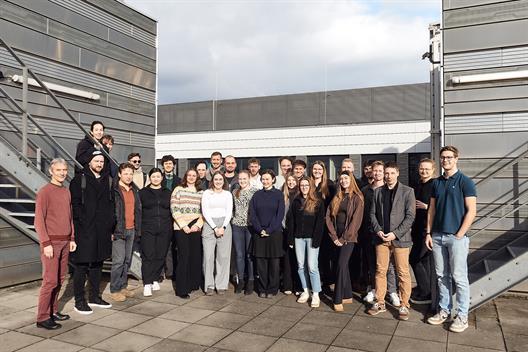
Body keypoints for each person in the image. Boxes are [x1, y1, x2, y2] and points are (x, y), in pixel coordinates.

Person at [426, 146, 477, 333]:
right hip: (437, 236)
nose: (445, 160)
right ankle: (444, 310)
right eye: (443, 157)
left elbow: (472, 211)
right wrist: (428, 233)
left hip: (456, 238)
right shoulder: (436, 183)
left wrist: (460, 234)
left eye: (449, 157)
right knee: (441, 277)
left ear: (456, 159)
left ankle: (462, 316)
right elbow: (431, 210)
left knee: (459, 277)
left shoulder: (466, 182)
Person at [368, 162, 416, 321]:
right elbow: (373, 214)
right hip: (381, 238)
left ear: (397, 173)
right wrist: (378, 230)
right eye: (386, 173)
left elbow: (410, 217)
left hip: (400, 239)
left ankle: (404, 304)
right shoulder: (378, 192)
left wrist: (395, 234)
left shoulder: (408, 192)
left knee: (402, 272)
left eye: (391, 173)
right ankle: (380, 302)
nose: (388, 176)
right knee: (380, 271)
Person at [70, 151, 114, 314]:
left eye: (102, 161)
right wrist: (82, 222)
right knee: (81, 266)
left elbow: (111, 205)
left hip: (102, 230)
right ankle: (79, 301)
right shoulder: (79, 180)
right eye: (96, 161)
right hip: (84, 230)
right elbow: (75, 205)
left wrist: (110, 226)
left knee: (97, 264)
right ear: (89, 162)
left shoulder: (108, 180)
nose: (99, 164)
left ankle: (94, 297)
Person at [34, 158, 76, 330]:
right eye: (58, 170)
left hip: (65, 242)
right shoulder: (44, 192)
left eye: (64, 170)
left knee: (59, 279)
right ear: (51, 171)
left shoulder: (66, 192)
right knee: (50, 281)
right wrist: (46, 243)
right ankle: (42, 317)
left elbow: (69, 217)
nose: (62, 173)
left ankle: (53, 311)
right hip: (51, 243)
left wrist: (72, 238)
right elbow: (38, 221)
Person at [360, 161, 400, 307]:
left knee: (388, 265)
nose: (376, 173)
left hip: (385, 234)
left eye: (379, 171)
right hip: (368, 233)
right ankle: (374, 289)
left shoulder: (389, 190)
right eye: (374, 171)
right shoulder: (365, 190)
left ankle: (392, 291)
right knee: (372, 264)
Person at [326, 171, 364, 312]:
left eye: (346, 178)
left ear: (351, 179)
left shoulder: (357, 197)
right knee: (342, 265)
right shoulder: (337, 196)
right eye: (341, 178)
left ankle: (337, 298)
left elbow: (356, 221)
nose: (343, 181)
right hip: (336, 237)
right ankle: (347, 295)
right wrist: (334, 236)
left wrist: (343, 238)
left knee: (341, 265)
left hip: (349, 238)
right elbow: (328, 217)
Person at [287, 177, 325, 308]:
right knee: (300, 265)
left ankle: (316, 293)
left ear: (311, 187)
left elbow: (320, 223)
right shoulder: (296, 201)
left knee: (312, 266)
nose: (304, 187)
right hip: (298, 238)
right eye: (302, 185)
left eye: (306, 185)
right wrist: (290, 238)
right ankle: (305, 290)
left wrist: (317, 240)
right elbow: (291, 221)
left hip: (312, 239)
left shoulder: (318, 202)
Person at [250, 169, 285, 298]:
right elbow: (253, 215)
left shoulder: (278, 195)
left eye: (267, 179)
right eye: (263, 179)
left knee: (274, 264)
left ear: (273, 180)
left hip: (274, 233)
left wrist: (269, 230)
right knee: (261, 264)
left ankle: (272, 288)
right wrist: (260, 230)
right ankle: (262, 288)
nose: (265, 181)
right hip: (259, 233)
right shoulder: (256, 195)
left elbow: (279, 215)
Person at [110, 163, 141, 302]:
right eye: (126, 173)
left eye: (130, 173)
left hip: (131, 229)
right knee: (118, 261)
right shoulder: (114, 190)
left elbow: (138, 210)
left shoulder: (135, 190)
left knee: (127, 260)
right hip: (118, 230)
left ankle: (123, 286)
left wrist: (137, 229)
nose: (128, 176)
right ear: (119, 174)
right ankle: (115, 289)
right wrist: (111, 229)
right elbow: (110, 212)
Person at [171, 168, 204, 299]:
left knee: (194, 256)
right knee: (183, 257)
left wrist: (198, 225)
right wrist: (183, 225)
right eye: (189, 175)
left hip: (195, 225)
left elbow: (204, 210)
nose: (191, 177)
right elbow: (174, 207)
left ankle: (192, 284)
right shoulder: (178, 189)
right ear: (185, 176)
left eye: (194, 175)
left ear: (197, 177)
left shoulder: (201, 192)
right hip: (181, 226)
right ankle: (182, 289)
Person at [139, 168, 173, 297]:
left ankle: (154, 278)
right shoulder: (143, 193)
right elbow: (138, 211)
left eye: (158, 176)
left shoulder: (167, 192)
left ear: (162, 178)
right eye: (153, 176)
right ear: (150, 178)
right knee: (148, 255)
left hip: (165, 228)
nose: (156, 179)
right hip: (147, 228)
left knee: (161, 254)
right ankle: (147, 283)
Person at [201, 172, 234, 295]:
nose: (218, 181)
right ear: (212, 180)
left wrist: (223, 227)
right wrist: (215, 227)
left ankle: (221, 285)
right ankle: (209, 285)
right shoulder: (207, 193)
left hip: (224, 224)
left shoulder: (227, 194)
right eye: (216, 179)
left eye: (220, 179)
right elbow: (205, 211)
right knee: (208, 256)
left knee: (223, 257)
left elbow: (229, 211)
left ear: (223, 181)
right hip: (209, 225)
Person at [410, 159, 436, 306]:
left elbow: (440, 207)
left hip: (428, 230)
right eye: (421, 168)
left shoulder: (434, 185)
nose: (424, 171)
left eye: (427, 169)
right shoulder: (417, 185)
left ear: (433, 170)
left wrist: (427, 207)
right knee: (424, 261)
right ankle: (424, 287)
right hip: (417, 228)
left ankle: (426, 292)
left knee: (415, 259)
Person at [311, 160, 337, 296]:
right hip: (311, 225)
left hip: (325, 225)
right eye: (315, 169)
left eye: (319, 169)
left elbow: (334, 204)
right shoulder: (308, 183)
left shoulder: (330, 185)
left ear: (324, 170)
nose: (317, 171)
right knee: (314, 255)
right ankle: (316, 281)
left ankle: (327, 282)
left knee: (325, 255)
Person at [231, 170, 258, 294]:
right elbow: (232, 208)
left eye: (244, 179)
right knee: (239, 254)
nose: (242, 181)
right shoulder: (235, 192)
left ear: (249, 179)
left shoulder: (255, 192)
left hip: (250, 226)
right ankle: (240, 280)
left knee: (249, 254)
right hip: (237, 226)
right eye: (240, 179)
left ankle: (251, 281)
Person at [281, 172, 302, 295]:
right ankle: (287, 285)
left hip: (297, 232)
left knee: (298, 260)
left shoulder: (299, 196)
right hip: (284, 230)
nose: (291, 183)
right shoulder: (283, 195)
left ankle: (299, 286)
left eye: (293, 180)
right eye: (289, 181)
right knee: (287, 259)